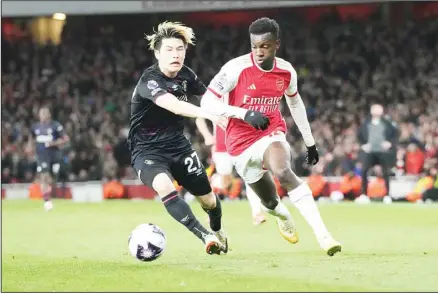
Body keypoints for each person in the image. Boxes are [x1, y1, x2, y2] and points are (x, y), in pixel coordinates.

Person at [200, 17, 341, 256]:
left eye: (264, 46)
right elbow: (206, 101)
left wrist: (310, 142)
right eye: (254, 46)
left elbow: (295, 103)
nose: (258, 52)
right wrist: (244, 114)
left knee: (283, 171)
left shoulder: (286, 71)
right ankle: (282, 215)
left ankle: (323, 235)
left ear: (277, 44)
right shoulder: (235, 68)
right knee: (270, 203)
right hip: (239, 143)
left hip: (270, 132)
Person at [128, 21, 228, 255]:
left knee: (209, 202)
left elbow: (209, 98)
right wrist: (206, 113)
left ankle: (218, 230)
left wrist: (229, 112)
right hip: (147, 151)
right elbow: (173, 105)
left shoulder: (186, 75)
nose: (176, 54)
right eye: (169, 50)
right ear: (157, 53)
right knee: (164, 186)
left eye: (180, 49)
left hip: (180, 148)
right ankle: (205, 236)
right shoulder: (149, 81)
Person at [196, 120, 267, 225]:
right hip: (222, 148)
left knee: (250, 177)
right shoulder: (216, 103)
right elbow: (199, 118)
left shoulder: (240, 103)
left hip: (242, 144)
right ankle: (211, 211)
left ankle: (257, 213)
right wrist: (207, 136)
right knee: (224, 182)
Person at [357, 104, 398, 203]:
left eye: (379, 109)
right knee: (364, 171)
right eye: (375, 109)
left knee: (386, 172)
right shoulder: (366, 123)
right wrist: (363, 145)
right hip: (370, 151)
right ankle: (364, 194)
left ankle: (387, 195)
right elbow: (359, 135)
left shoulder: (387, 123)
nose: (377, 111)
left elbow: (395, 134)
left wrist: (389, 143)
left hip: (382, 151)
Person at [31, 107, 70, 211]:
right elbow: (32, 139)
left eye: (44, 113)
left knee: (52, 179)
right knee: (44, 177)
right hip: (41, 156)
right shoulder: (35, 127)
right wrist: (30, 148)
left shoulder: (55, 126)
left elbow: (66, 139)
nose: (42, 115)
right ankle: (47, 201)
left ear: (49, 115)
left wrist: (54, 143)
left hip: (54, 155)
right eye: (41, 113)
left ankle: (50, 196)